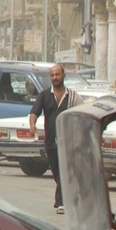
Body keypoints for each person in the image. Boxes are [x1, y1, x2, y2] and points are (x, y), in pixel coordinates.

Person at [29, 64, 81, 214]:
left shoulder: (72, 96)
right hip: (51, 141)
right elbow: (34, 112)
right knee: (57, 171)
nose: (55, 78)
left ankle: (61, 202)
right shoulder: (44, 95)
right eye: (52, 75)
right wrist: (32, 126)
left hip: (68, 141)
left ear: (64, 75)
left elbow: (83, 113)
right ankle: (70, 198)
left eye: (57, 75)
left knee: (65, 170)